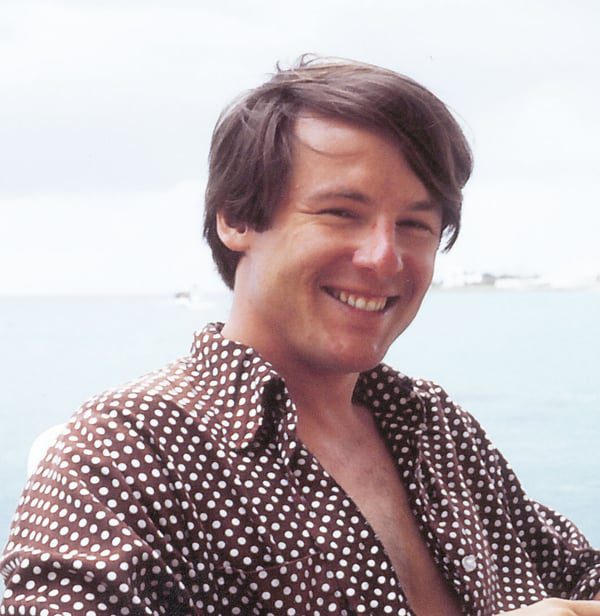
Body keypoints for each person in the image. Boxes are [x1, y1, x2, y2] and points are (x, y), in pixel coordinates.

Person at [0, 56, 598, 616]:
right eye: (341, 212)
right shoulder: (122, 455)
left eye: (415, 225)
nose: (384, 258)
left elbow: (579, 574)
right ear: (236, 218)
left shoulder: (436, 430)